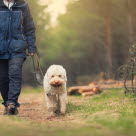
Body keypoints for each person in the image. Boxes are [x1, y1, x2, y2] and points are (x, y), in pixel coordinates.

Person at [0, 0, 36, 115]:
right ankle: (7, 103)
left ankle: (12, 103)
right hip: (0, 48)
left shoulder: (23, 5)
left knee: (15, 74)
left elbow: (29, 27)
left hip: (18, 48)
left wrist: (31, 47)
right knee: (2, 78)